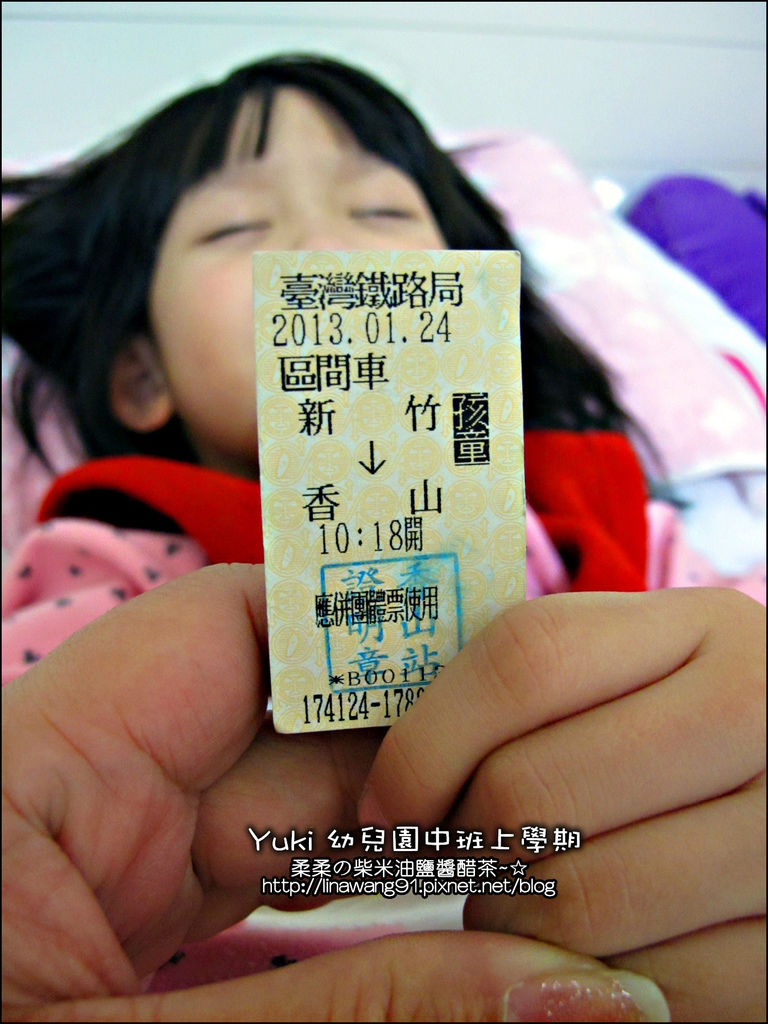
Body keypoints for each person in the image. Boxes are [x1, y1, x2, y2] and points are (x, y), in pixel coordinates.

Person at [1, 54, 765, 1021]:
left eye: (383, 213)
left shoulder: (607, 523)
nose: (329, 247)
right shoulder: (99, 569)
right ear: (141, 376)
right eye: (237, 230)